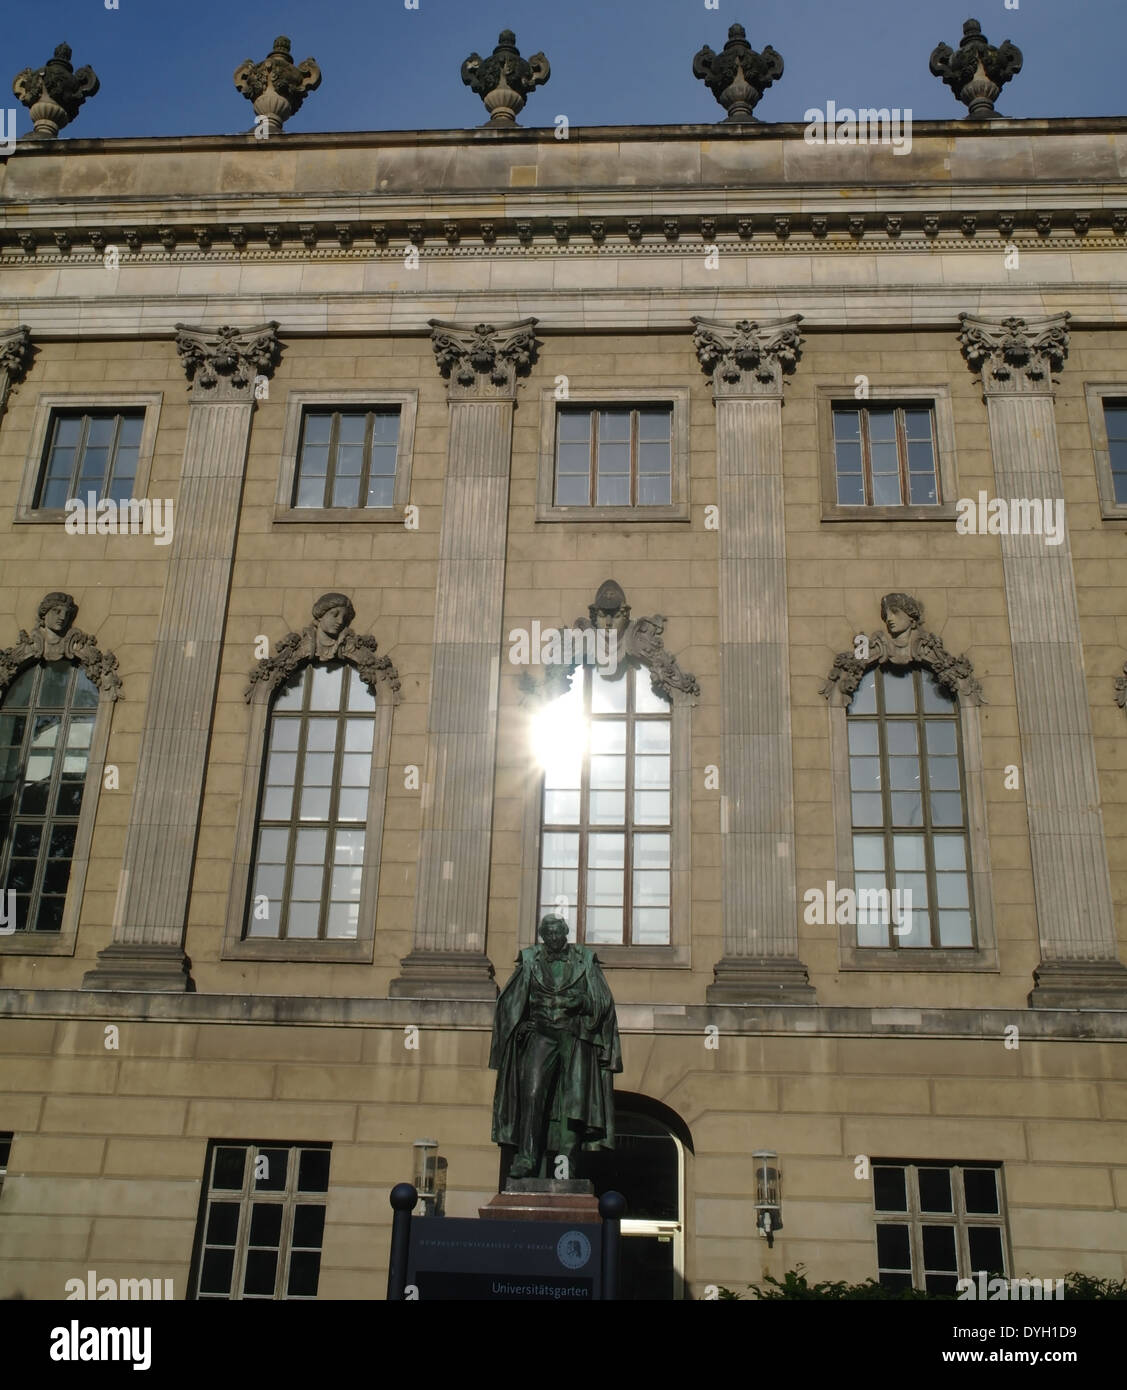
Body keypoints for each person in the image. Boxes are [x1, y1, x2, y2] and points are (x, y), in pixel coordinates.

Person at [489, 914, 622, 1180]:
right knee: (532, 1093)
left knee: (574, 1103)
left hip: (574, 1035)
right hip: (542, 1035)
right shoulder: (529, 960)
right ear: (542, 936)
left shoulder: (585, 959)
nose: (553, 939)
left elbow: (604, 1002)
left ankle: (566, 1163)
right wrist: (519, 1027)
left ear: (565, 934)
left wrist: (583, 1002)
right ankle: (526, 1157)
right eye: (548, 934)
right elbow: (511, 1003)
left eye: (557, 934)